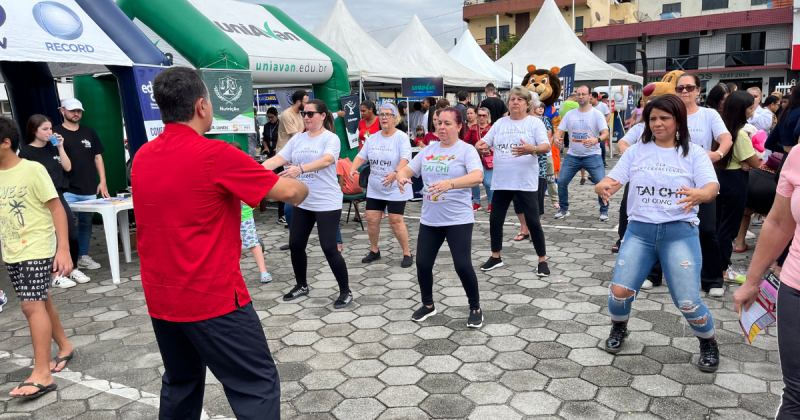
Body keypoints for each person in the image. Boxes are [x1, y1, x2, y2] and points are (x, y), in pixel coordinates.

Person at [131, 67, 308, 419]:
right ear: (201, 106)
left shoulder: (143, 156)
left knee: (181, 382)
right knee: (255, 384)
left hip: (162, 297)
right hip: (212, 298)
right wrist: (303, 180)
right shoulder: (215, 154)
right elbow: (289, 192)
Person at [595, 94, 720, 372]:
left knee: (687, 301)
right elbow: (613, 179)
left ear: (678, 120)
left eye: (665, 118)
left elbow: (711, 188)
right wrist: (602, 186)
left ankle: (708, 343)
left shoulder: (694, 152)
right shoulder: (636, 151)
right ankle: (619, 329)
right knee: (619, 292)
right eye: (653, 118)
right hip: (639, 232)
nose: (658, 123)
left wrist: (701, 193)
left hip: (680, 233)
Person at [0, 117, 75, 399]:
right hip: (13, 251)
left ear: (6, 142)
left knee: (30, 307)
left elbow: (57, 209)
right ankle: (65, 346)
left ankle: (41, 371)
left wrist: (63, 249)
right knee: (41, 301)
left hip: (37, 248)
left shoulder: (32, 170)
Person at [396, 107, 485, 328]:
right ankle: (428, 305)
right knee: (423, 264)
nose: (441, 127)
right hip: (430, 219)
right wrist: (401, 176)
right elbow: (409, 170)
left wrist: (450, 183)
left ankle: (475, 307)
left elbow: (477, 176)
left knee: (462, 265)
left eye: (447, 123)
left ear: (459, 126)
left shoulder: (466, 150)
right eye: (438, 123)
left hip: (458, 219)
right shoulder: (429, 150)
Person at [263, 99, 352, 308]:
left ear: (323, 116)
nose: (306, 117)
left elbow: (328, 160)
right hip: (302, 201)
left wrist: (300, 169)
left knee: (329, 247)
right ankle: (302, 285)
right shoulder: (298, 139)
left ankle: (345, 291)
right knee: (295, 245)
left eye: (311, 114)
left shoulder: (330, 138)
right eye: (304, 113)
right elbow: (278, 159)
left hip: (326, 201)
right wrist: (255, 170)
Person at [734, 147, 800, 418]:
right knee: (796, 394)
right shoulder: (798, 154)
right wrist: (752, 280)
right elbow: (779, 222)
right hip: (795, 288)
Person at [476, 86, 551, 276]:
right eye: (512, 99)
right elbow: (485, 141)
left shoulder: (535, 123)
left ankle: (542, 260)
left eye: (519, 99)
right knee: (495, 220)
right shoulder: (500, 123)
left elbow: (545, 146)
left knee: (533, 222)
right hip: (502, 181)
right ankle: (495, 256)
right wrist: (480, 146)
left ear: (528, 104)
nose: (515, 102)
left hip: (525, 181)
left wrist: (532, 149)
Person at [21, 114, 90, 286]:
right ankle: (55, 274)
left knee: (70, 234)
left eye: (50, 128)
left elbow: (67, 167)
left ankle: (71, 267)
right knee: (50, 237)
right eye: (45, 129)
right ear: (33, 131)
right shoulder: (26, 152)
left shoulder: (53, 147)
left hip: (58, 194)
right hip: (40, 199)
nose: (49, 132)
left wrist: (60, 147)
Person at [350, 103, 414, 268]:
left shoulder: (401, 137)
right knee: (372, 219)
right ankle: (374, 251)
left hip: (396, 186)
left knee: (395, 220)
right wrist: (352, 168)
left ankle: (407, 253)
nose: (384, 117)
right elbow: (361, 156)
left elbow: (406, 158)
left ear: (395, 118)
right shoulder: (373, 138)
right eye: (382, 114)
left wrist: (396, 172)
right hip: (376, 187)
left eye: (388, 114)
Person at [54, 98, 110, 271]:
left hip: (88, 188)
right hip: (66, 188)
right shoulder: (55, 133)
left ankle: (82, 256)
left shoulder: (89, 132)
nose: (76, 114)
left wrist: (103, 181)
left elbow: (98, 157)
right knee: (66, 225)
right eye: (72, 111)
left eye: (79, 110)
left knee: (86, 223)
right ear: (62, 111)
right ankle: (65, 261)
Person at [717, 91, 761, 282]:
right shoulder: (740, 134)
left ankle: (712, 267)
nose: (753, 110)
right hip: (735, 180)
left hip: (717, 178)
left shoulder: (719, 129)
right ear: (742, 110)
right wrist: (749, 162)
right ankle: (723, 270)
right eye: (751, 107)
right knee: (728, 229)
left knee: (717, 226)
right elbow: (756, 162)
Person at [553, 86, 611, 221]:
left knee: (601, 184)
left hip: (593, 156)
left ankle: (604, 211)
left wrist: (596, 140)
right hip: (572, 156)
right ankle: (563, 209)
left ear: (589, 96)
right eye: (578, 94)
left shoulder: (596, 114)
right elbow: (559, 131)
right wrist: (557, 139)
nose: (580, 96)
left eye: (583, 94)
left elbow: (606, 134)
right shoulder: (570, 114)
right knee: (561, 182)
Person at [229, 141, 274, 283]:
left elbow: (256, 187)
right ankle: (235, 274)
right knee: (232, 246)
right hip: (229, 216)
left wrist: (247, 199)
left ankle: (263, 271)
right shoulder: (223, 171)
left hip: (244, 215)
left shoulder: (245, 170)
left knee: (252, 243)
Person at [276, 91, 308, 225]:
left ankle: (297, 212)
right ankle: (282, 215)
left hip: (297, 155)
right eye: (306, 102)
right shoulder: (287, 114)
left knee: (295, 185)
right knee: (284, 185)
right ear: (299, 102)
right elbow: (296, 135)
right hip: (285, 155)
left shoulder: (301, 114)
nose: (307, 105)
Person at [464, 107, 494, 211]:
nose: (481, 117)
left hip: (488, 158)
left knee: (488, 182)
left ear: (488, 117)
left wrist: (493, 148)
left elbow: (497, 141)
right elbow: (465, 142)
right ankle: (476, 202)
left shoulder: (492, 128)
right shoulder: (473, 128)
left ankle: (491, 202)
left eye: (484, 115)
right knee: (474, 181)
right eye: (480, 115)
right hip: (475, 158)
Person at [591, 92, 612, 168]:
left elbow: (608, 116)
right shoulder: (589, 106)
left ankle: (603, 161)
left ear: (596, 98)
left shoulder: (603, 105)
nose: (590, 100)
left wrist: (603, 124)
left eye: (591, 99)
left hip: (601, 129)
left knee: (602, 145)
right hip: (592, 128)